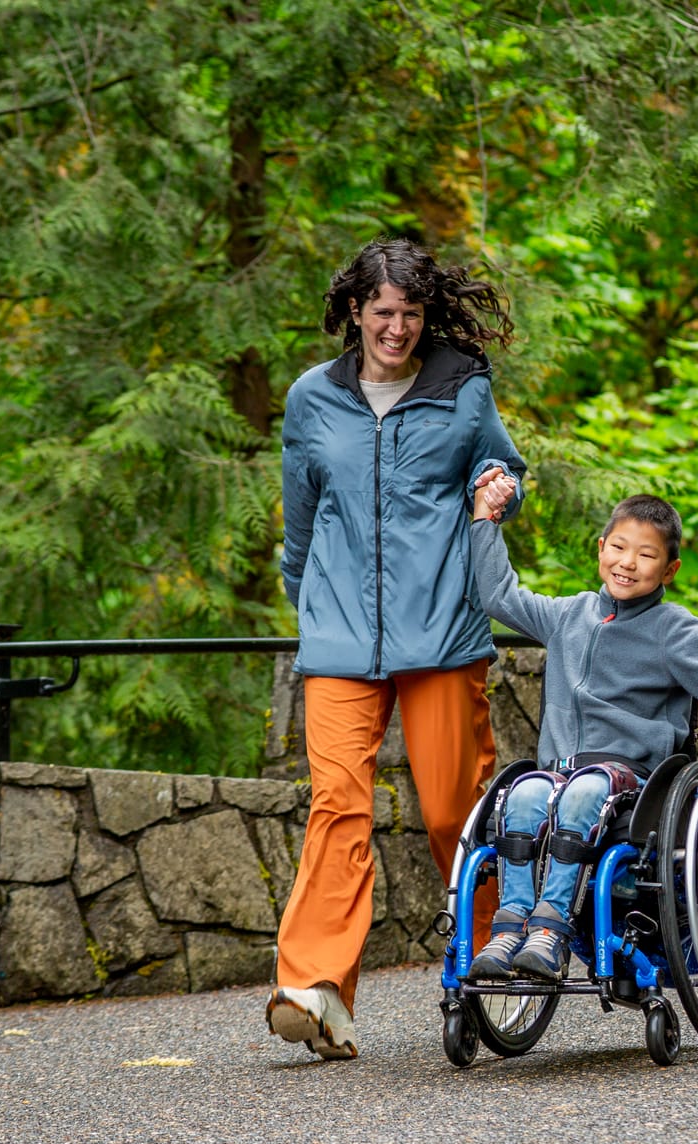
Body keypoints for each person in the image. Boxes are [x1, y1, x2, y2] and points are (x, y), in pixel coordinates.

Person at [264, 237, 527, 1061]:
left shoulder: (462, 389)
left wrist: (500, 489)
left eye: (411, 313)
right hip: (339, 633)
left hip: (443, 630)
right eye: (383, 312)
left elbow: (501, 468)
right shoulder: (313, 399)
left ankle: (496, 960)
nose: (398, 328)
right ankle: (316, 988)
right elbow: (301, 515)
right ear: (355, 311)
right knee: (337, 804)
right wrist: (306, 597)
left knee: (455, 809)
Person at [464, 480, 698, 980]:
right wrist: (484, 521)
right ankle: (511, 928)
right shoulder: (567, 616)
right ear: (601, 549)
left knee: (585, 791)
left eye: (645, 555)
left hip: (629, 780)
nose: (627, 562)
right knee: (525, 790)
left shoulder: (673, 630)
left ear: (669, 569)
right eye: (618, 547)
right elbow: (497, 593)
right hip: (558, 774)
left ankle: (550, 928)